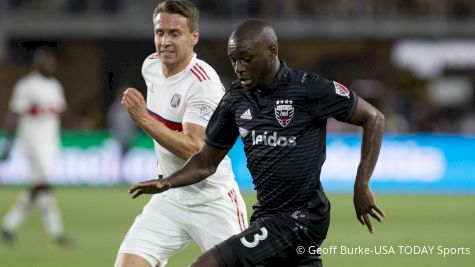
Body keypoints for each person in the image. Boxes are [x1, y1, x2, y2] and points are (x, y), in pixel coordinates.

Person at [129, 18, 386, 267]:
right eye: (234, 60)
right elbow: (206, 162)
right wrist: (167, 182)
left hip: (302, 217)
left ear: (272, 50)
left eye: (246, 58)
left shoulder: (309, 89)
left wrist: (362, 183)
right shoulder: (236, 98)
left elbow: (373, 118)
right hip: (266, 215)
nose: (239, 67)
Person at [114, 1, 248, 267]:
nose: (165, 41)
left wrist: (143, 119)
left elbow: (194, 149)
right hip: (170, 197)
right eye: (160, 32)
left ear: (194, 37)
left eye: (175, 33)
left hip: (213, 200)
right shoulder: (150, 66)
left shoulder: (203, 84)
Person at [1, 48, 69, 246]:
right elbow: (13, 114)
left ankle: (8, 227)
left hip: (50, 143)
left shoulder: (55, 86)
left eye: (52, 62)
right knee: (43, 186)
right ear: (37, 64)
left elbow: (61, 112)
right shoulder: (26, 86)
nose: (51, 65)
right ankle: (56, 234)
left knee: (39, 188)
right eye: (47, 62)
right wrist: (7, 142)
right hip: (32, 143)